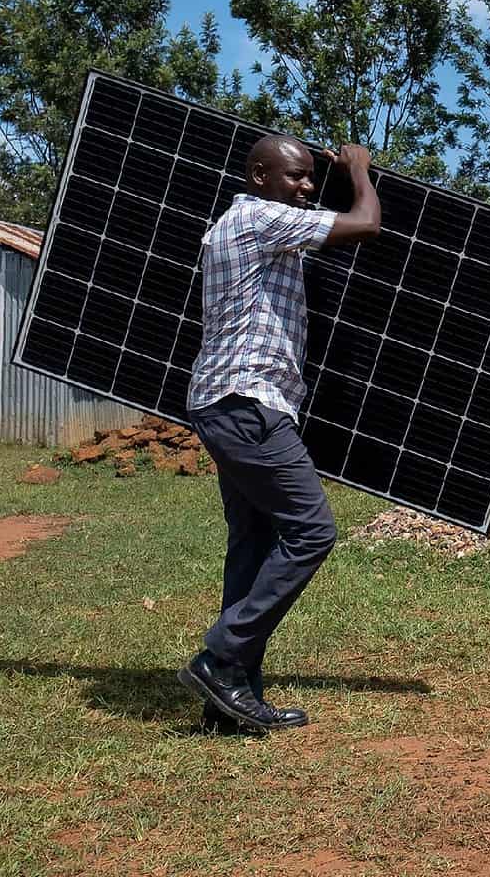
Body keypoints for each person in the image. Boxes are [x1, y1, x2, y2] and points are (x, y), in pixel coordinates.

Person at [178, 135, 381, 733]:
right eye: (294, 176)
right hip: (248, 404)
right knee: (312, 531)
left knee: (253, 545)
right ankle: (220, 657)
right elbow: (366, 224)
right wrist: (360, 170)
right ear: (258, 175)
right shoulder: (260, 218)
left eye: (310, 177)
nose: (307, 186)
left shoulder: (247, 226)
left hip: (226, 404)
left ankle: (230, 701)